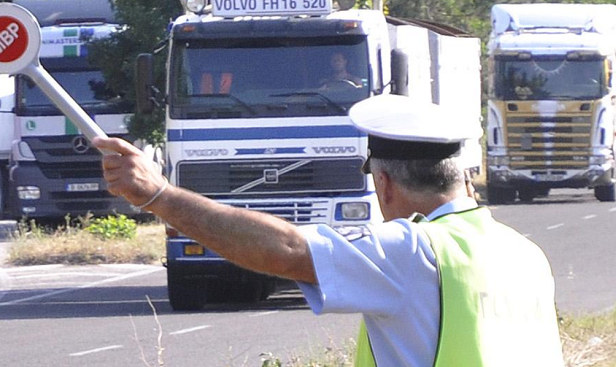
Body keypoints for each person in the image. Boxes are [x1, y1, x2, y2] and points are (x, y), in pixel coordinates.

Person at [93, 94, 564, 366]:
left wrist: (158, 195)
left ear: (383, 183)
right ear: (463, 175)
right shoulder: (525, 253)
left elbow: (286, 249)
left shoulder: (414, 251)